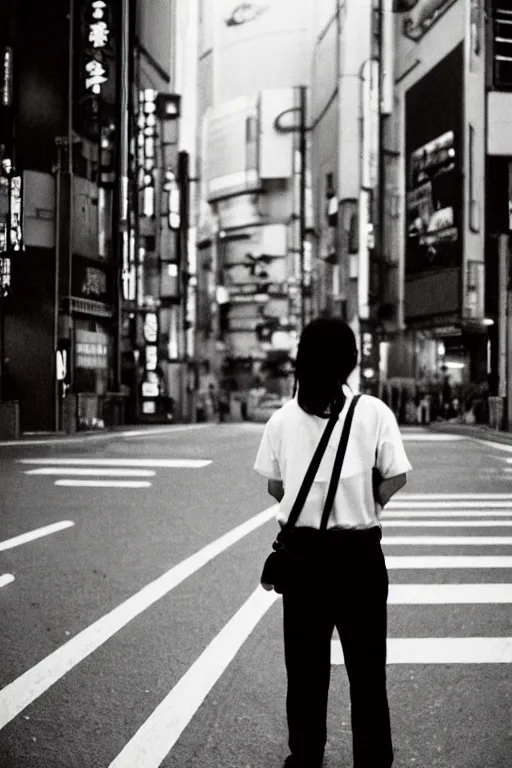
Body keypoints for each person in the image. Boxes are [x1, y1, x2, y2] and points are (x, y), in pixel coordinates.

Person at [253, 318, 412, 768]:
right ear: (349, 361)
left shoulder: (282, 421)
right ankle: (373, 760)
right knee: (366, 672)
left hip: (303, 559)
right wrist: (366, 500)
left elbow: (275, 488)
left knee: (305, 672)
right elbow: (396, 475)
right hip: (359, 558)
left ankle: (305, 756)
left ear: (301, 359)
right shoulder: (374, 412)